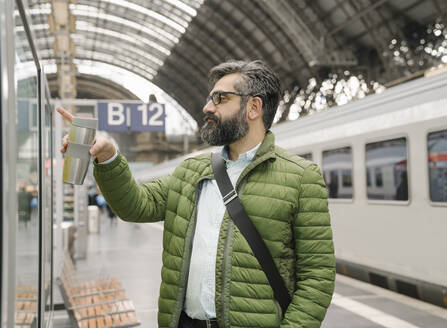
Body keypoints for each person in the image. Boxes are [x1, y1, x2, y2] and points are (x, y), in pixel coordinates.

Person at [58, 60, 335, 328]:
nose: (206, 107)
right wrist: (108, 157)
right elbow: (136, 205)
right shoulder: (191, 171)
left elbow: (317, 278)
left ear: (253, 107)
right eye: (209, 98)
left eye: (220, 99)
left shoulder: (301, 178)